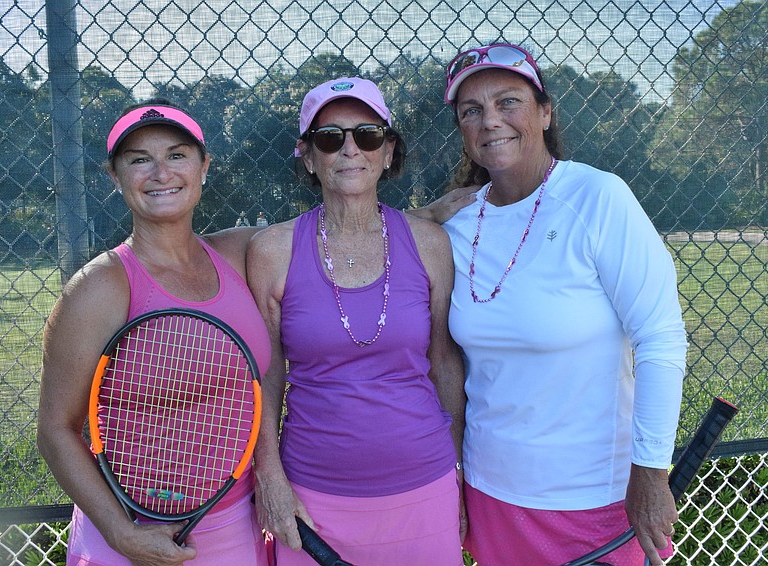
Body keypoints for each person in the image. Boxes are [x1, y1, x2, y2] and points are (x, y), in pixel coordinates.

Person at [427, 42, 689, 566]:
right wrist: (425, 214)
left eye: (509, 102)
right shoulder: (454, 224)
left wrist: (651, 473)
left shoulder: (598, 198)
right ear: (461, 128)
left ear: (545, 113)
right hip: (491, 493)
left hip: (594, 497)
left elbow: (660, 336)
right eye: (471, 110)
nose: (490, 121)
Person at [37, 99, 270, 566]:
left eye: (177, 155)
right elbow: (55, 430)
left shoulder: (242, 253)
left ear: (205, 166)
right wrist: (122, 534)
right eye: (140, 159)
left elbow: (335, 225)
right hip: (129, 536)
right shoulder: (98, 287)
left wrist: (427, 215)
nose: (161, 172)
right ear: (115, 176)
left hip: (237, 525)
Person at [247, 77, 467, 565]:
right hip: (313, 495)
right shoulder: (273, 251)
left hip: (423, 488)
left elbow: (445, 364)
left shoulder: (430, 245)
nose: (350, 150)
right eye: (330, 138)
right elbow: (266, 375)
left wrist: (458, 470)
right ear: (307, 156)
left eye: (367, 135)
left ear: (388, 151)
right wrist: (271, 478)